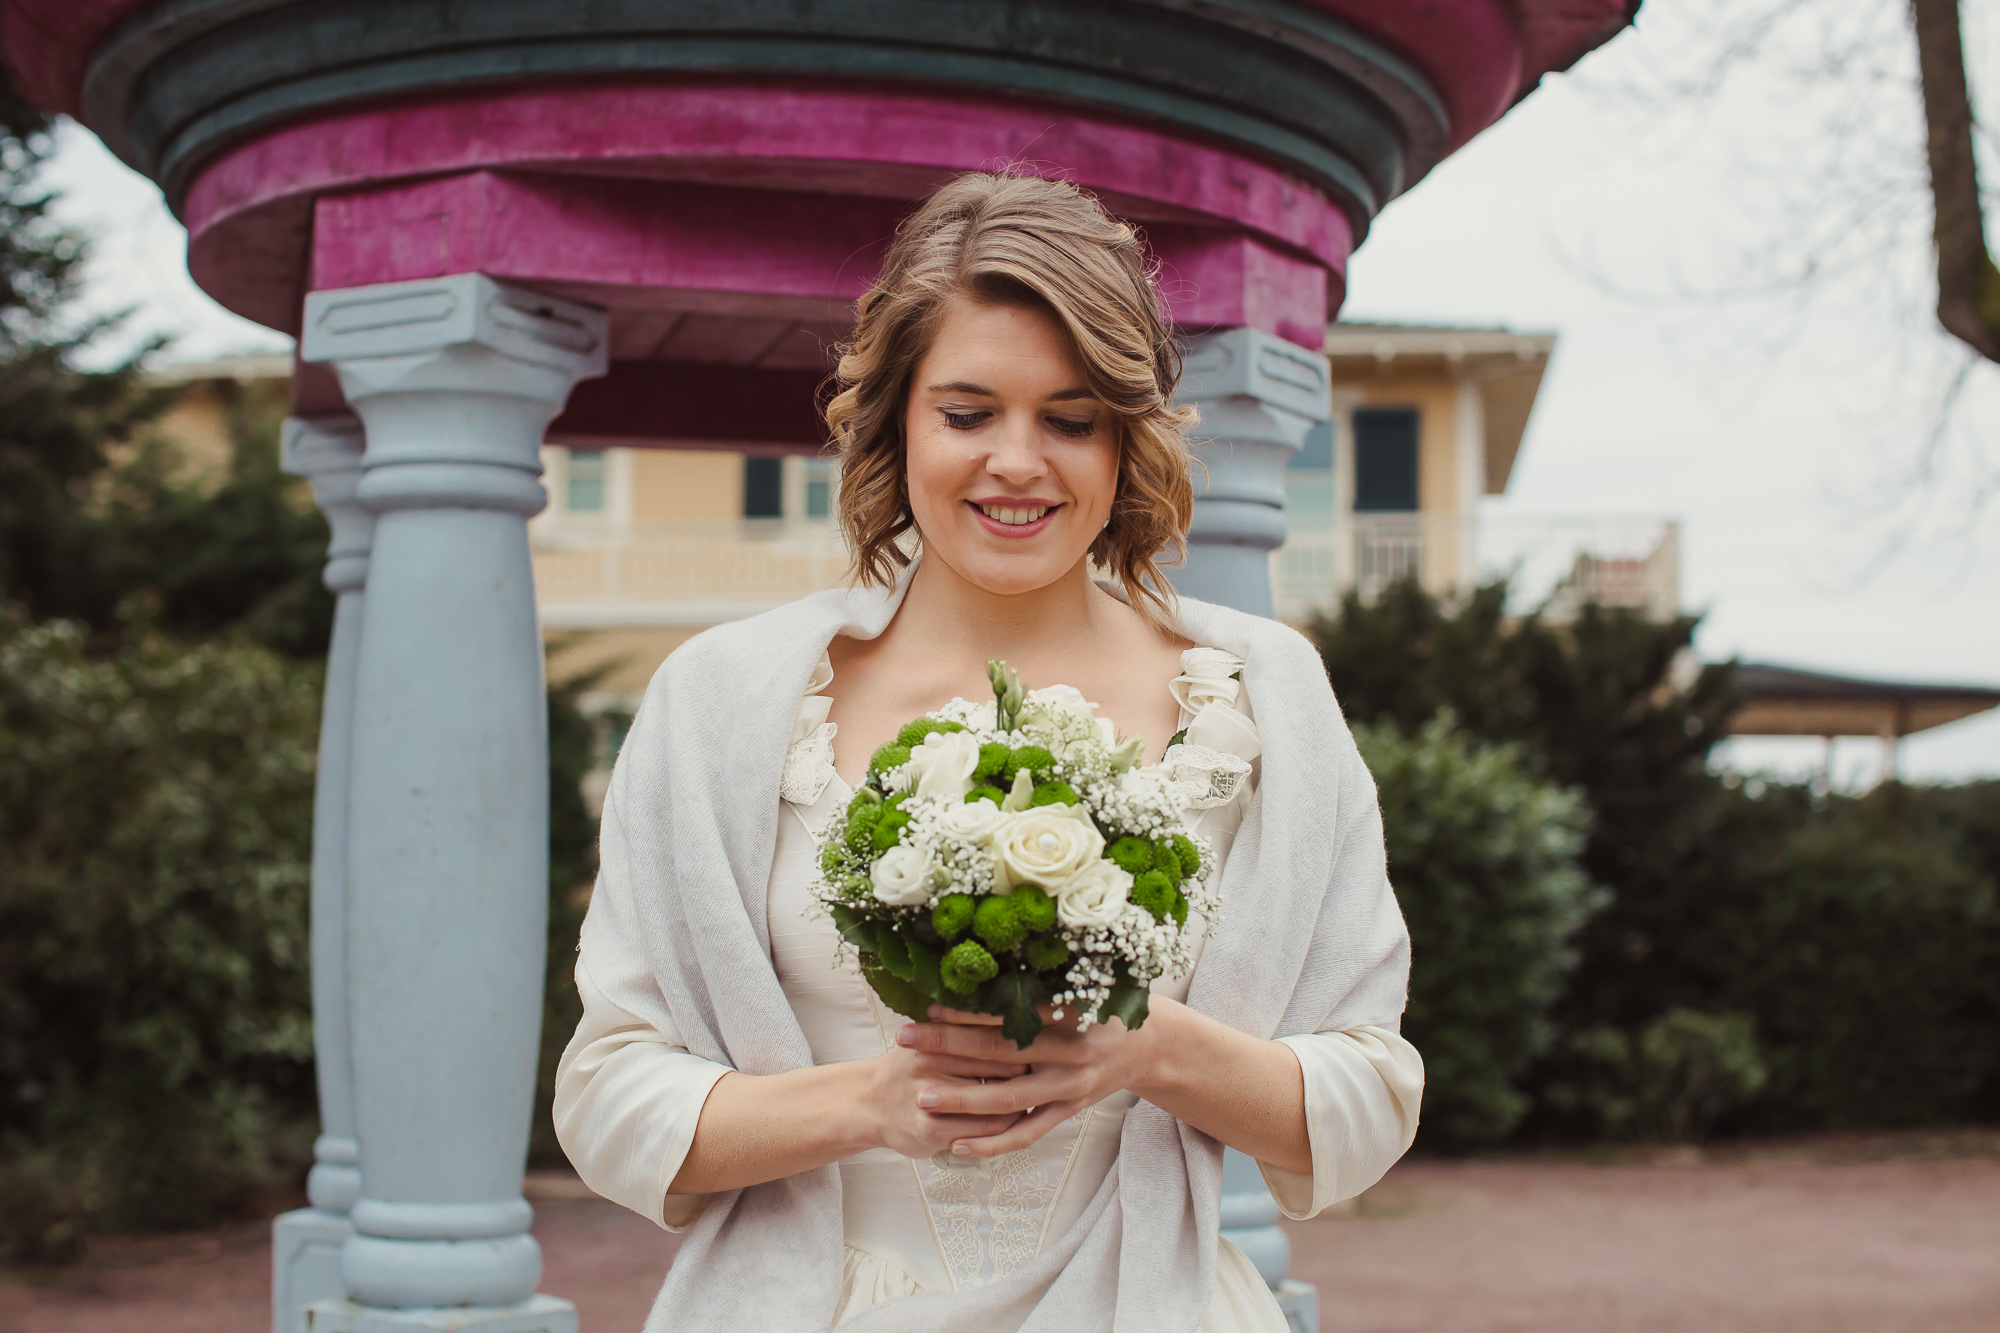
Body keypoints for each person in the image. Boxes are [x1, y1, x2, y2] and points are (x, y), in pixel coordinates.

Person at [553, 171, 1423, 1332]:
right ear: (896, 420)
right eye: (966, 413)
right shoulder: (721, 701)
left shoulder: (1266, 699)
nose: (1016, 461)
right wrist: (870, 1100)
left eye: (1068, 419)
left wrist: (1148, 1047)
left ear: (1125, 440)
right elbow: (608, 1098)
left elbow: (1366, 1097)